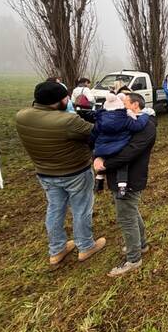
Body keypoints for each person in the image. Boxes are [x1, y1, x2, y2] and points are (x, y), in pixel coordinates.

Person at [16, 81, 106, 267]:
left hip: (45, 173)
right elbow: (95, 133)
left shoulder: (22, 116)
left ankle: (56, 250)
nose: (68, 99)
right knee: (81, 209)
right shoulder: (69, 121)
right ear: (57, 101)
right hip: (75, 173)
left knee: (55, 209)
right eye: (66, 97)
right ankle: (86, 246)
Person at [94, 93, 157, 277]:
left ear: (135, 105)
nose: (120, 106)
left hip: (129, 178)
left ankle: (133, 259)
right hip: (121, 176)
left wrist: (105, 164)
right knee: (131, 212)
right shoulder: (128, 122)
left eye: (125, 103)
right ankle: (141, 245)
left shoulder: (146, 126)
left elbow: (130, 152)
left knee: (126, 218)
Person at [90, 92, 149, 198]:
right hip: (119, 146)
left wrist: (95, 152)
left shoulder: (100, 119)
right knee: (123, 165)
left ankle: (99, 179)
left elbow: (94, 133)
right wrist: (144, 116)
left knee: (101, 160)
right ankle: (122, 185)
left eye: (125, 103)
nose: (124, 106)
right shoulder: (125, 118)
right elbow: (137, 126)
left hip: (102, 148)